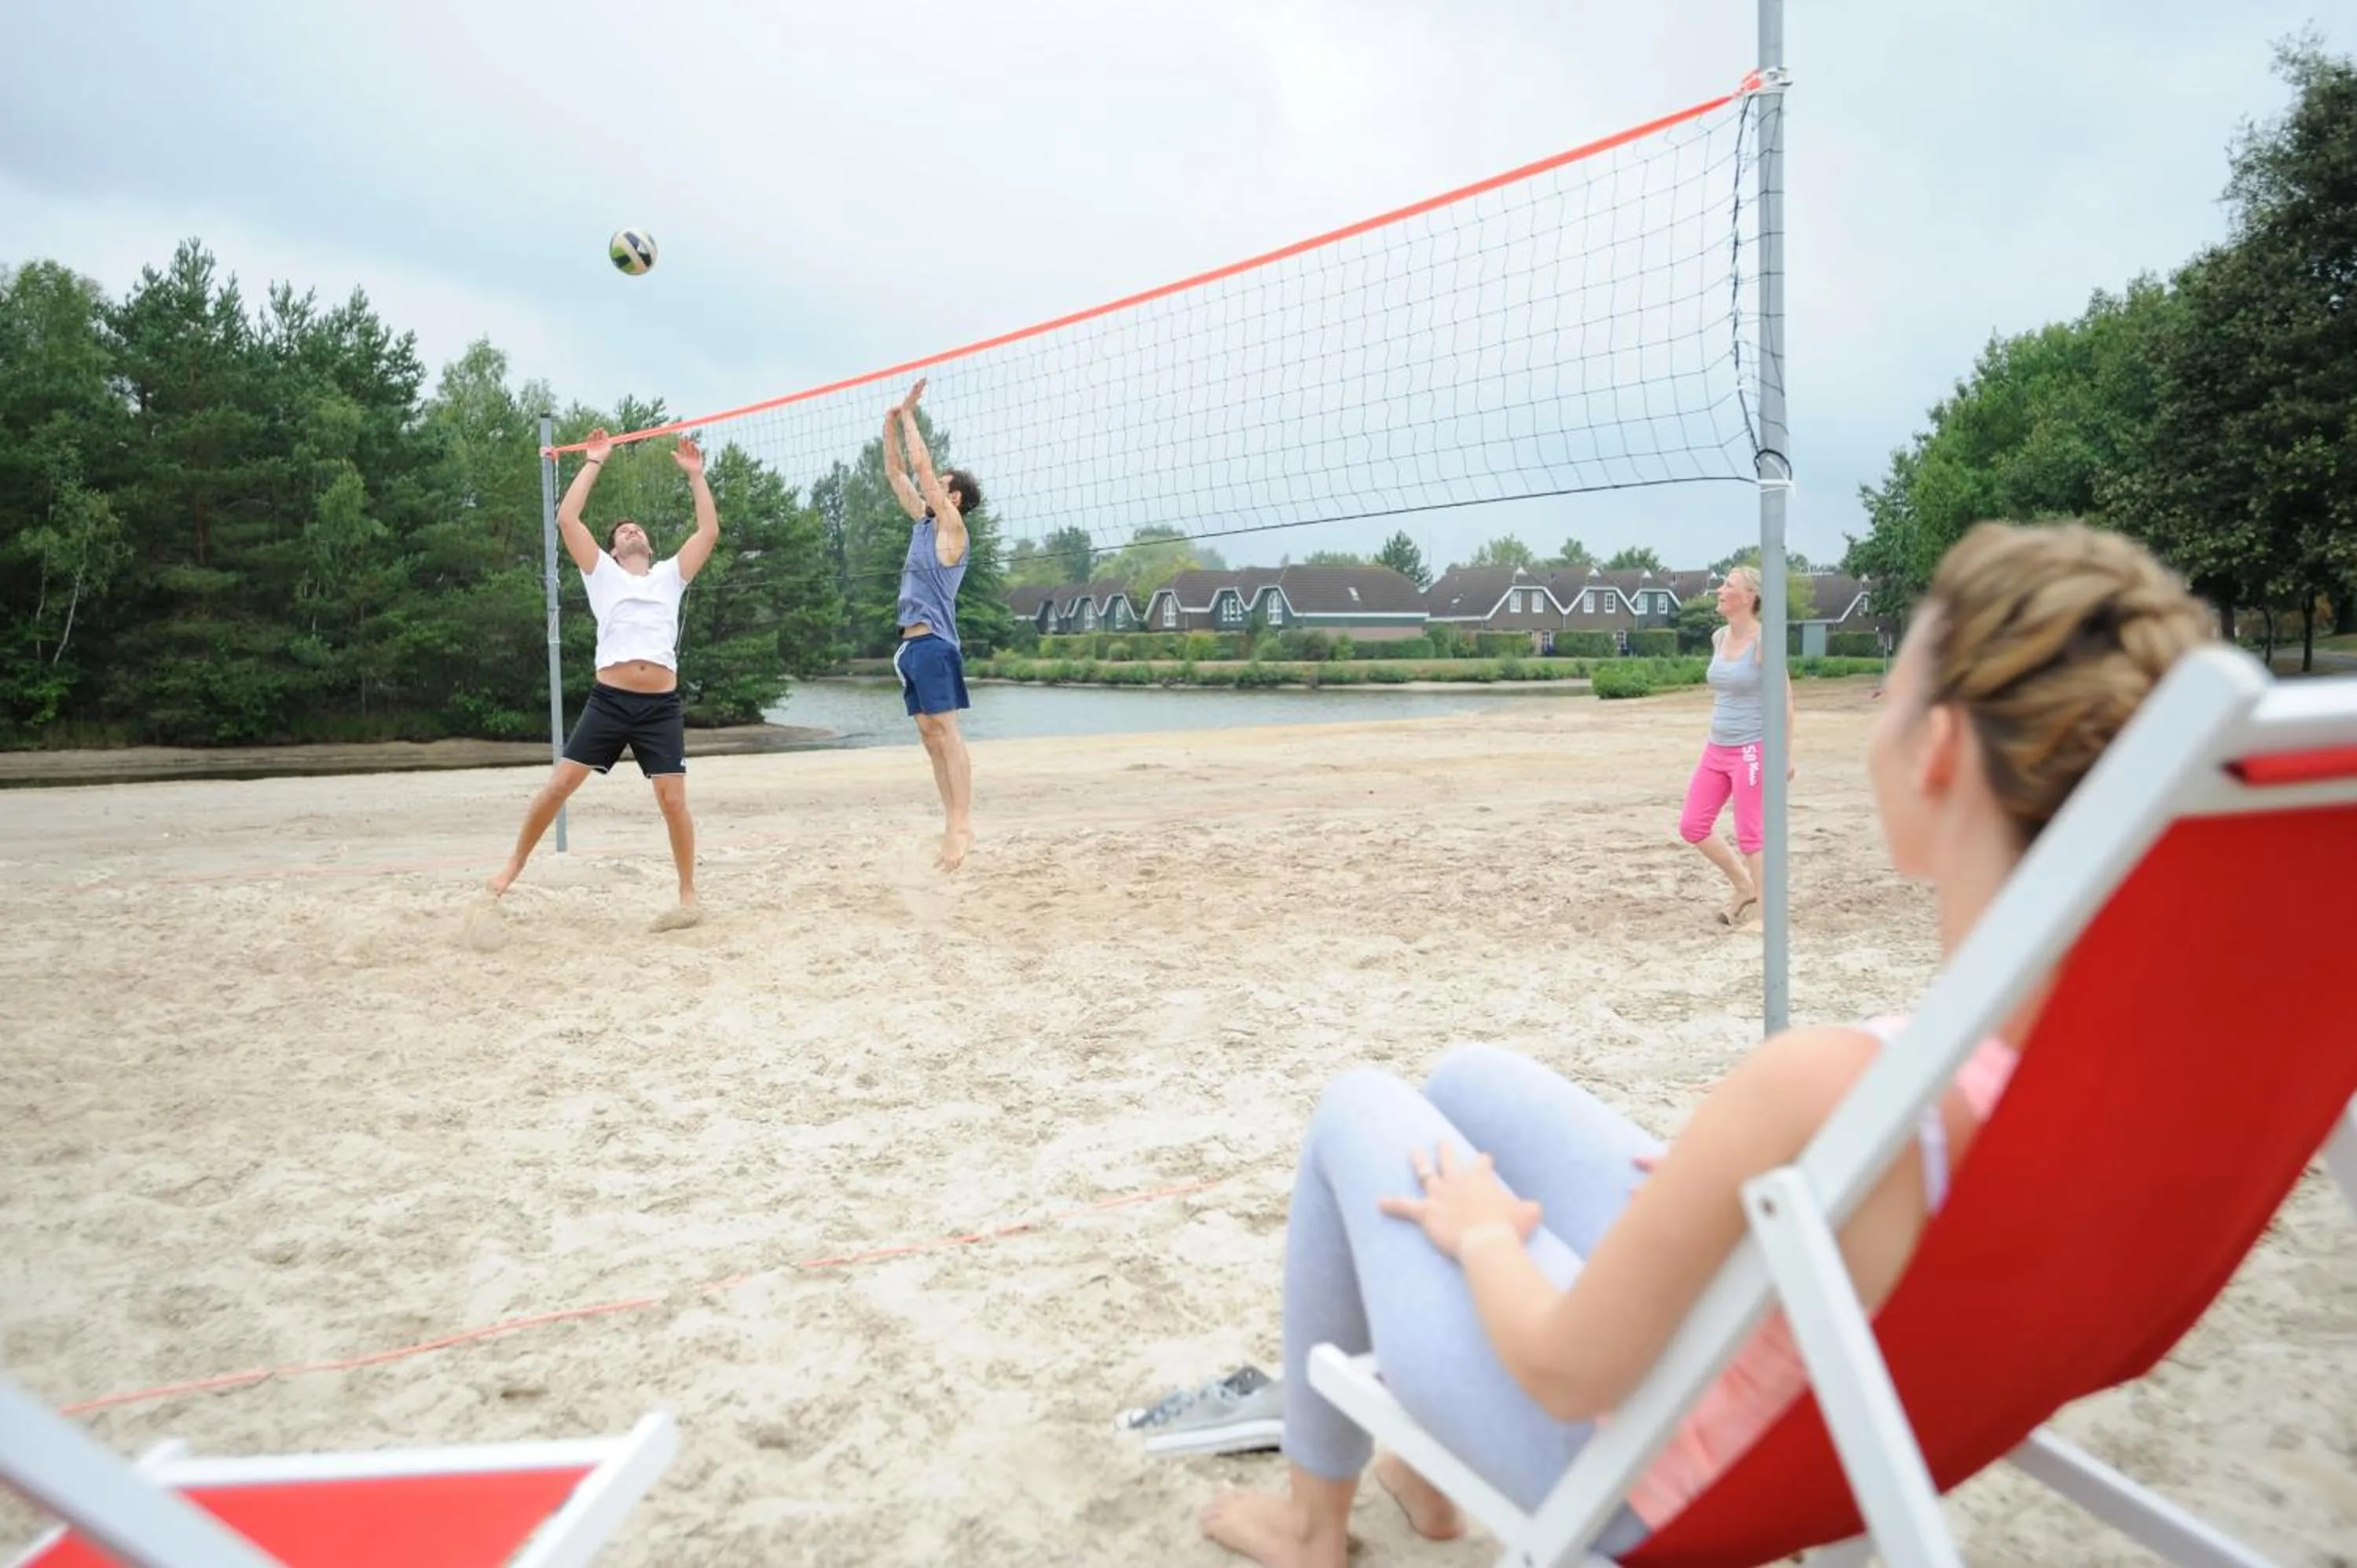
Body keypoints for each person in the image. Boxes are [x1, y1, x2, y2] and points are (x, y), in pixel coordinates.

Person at [1197, 522, 2210, 1568]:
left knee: (1360, 1105)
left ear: (1940, 751)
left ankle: (1311, 1525)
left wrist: (1486, 1233)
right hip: (1843, 1405)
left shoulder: (1826, 1087)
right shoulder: (2138, 1075)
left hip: (1650, 1475)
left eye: (1890, 690)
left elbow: (1564, 1373)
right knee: (1465, 1081)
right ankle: (1414, 1478)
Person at [485, 427, 718, 930]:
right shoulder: (601, 574)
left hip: (660, 705)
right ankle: (513, 865)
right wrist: (594, 461)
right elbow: (567, 518)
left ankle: (687, 894)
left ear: (648, 546)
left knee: (673, 801)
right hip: (611, 700)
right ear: (613, 550)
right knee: (559, 785)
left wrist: (696, 476)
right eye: (623, 530)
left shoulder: (670, 575)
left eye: (638, 529)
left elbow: (708, 533)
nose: (632, 531)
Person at [882, 378, 984, 871]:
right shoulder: (922, 523)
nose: (931, 489)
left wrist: (910, 416)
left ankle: (961, 824)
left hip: (938, 643)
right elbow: (898, 473)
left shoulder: (951, 529)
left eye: (941, 487)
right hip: (910, 648)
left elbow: (920, 468)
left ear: (955, 499)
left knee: (947, 730)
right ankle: (951, 819)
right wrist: (889, 424)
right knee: (929, 735)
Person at [1678, 565, 1797, 926]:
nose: (1720, 590)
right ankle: (1745, 887)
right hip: (1717, 748)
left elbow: (1786, 699)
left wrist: (1784, 754)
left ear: (1748, 597)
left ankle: (1766, 917)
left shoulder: (1764, 643)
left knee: (1751, 835)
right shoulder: (1718, 637)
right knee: (1692, 825)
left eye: (1728, 586)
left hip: (1751, 749)